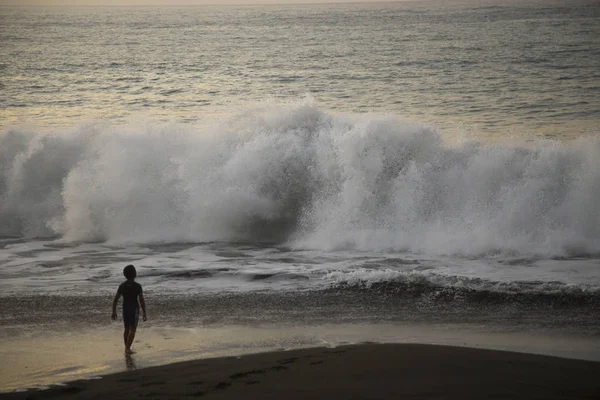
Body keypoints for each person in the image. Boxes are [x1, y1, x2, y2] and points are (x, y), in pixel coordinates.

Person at [112, 264, 147, 354]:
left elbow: (116, 299)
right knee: (133, 329)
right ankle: (127, 348)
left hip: (125, 308)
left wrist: (114, 311)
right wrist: (144, 312)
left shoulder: (122, 286)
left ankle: (127, 347)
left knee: (126, 329)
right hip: (134, 308)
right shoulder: (137, 286)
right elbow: (141, 300)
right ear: (135, 274)